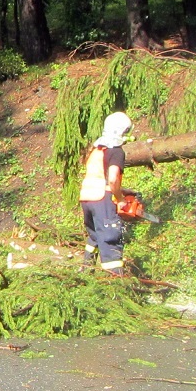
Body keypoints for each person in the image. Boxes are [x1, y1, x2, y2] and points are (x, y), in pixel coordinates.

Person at [80, 111, 133, 273]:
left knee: (95, 236)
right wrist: (120, 198)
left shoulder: (96, 149)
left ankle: (86, 272)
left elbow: (99, 175)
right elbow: (112, 179)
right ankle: (114, 280)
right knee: (110, 238)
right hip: (101, 199)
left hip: (86, 198)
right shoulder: (116, 151)